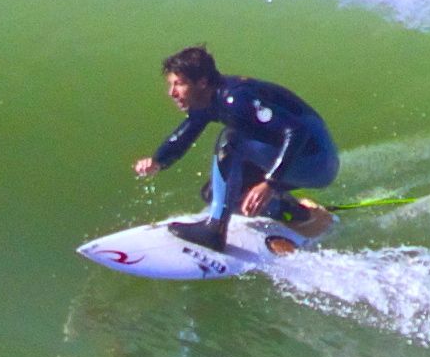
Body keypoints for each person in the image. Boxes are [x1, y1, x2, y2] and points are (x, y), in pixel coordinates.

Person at [131, 45, 339, 253]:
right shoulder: (207, 100)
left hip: (316, 161)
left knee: (231, 141)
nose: (172, 93)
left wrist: (270, 184)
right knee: (215, 195)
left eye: (180, 84)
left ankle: (214, 231)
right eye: (171, 85)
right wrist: (158, 161)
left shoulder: (237, 99)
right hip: (288, 157)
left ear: (202, 82)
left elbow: (297, 132)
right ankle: (293, 212)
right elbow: (185, 134)